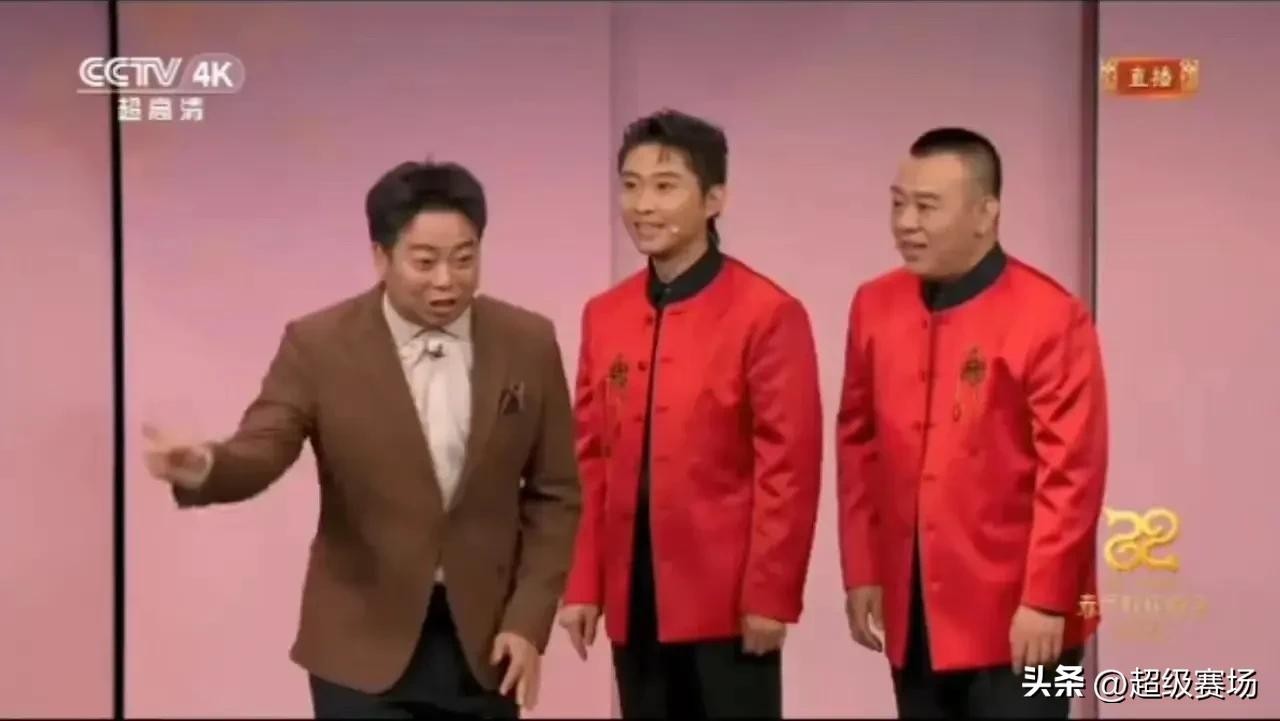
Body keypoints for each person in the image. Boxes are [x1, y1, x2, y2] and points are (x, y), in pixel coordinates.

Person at [141, 159, 582, 719]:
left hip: (486, 645)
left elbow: (555, 494)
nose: (446, 280)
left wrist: (527, 621)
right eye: (425, 261)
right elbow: (264, 446)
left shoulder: (527, 341)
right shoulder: (319, 345)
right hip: (359, 644)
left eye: (464, 258)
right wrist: (205, 466)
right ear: (381, 257)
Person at [556, 109, 823, 719]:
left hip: (728, 601)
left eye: (665, 186)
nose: (643, 205)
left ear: (714, 199)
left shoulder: (767, 313)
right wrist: (583, 583)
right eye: (630, 186)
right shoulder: (605, 314)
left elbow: (788, 468)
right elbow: (589, 458)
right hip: (635, 594)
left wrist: (771, 594)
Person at [836, 127, 1108, 719]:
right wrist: (862, 570)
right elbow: (858, 443)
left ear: (987, 213)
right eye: (898, 204)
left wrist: (1047, 600)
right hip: (914, 609)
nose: (906, 223)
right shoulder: (873, 305)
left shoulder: (1052, 316)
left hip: (1027, 620)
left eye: (927, 206)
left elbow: (1072, 475)